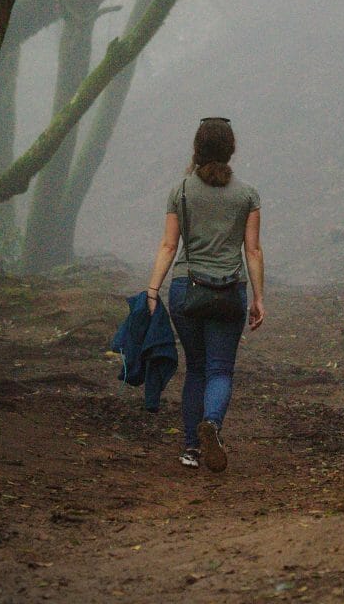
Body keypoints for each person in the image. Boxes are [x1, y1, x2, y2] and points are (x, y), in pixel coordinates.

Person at [146, 117, 265, 472]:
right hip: (229, 293)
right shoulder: (247, 194)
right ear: (231, 149)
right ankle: (211, 424)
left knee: (195, 368)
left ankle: (190, 449)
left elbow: (169, 245)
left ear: (197, 148)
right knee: (220, 370)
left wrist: (153, 288)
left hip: (187, 290)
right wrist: (259, 297)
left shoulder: (180, 191)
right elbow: (253, 251)